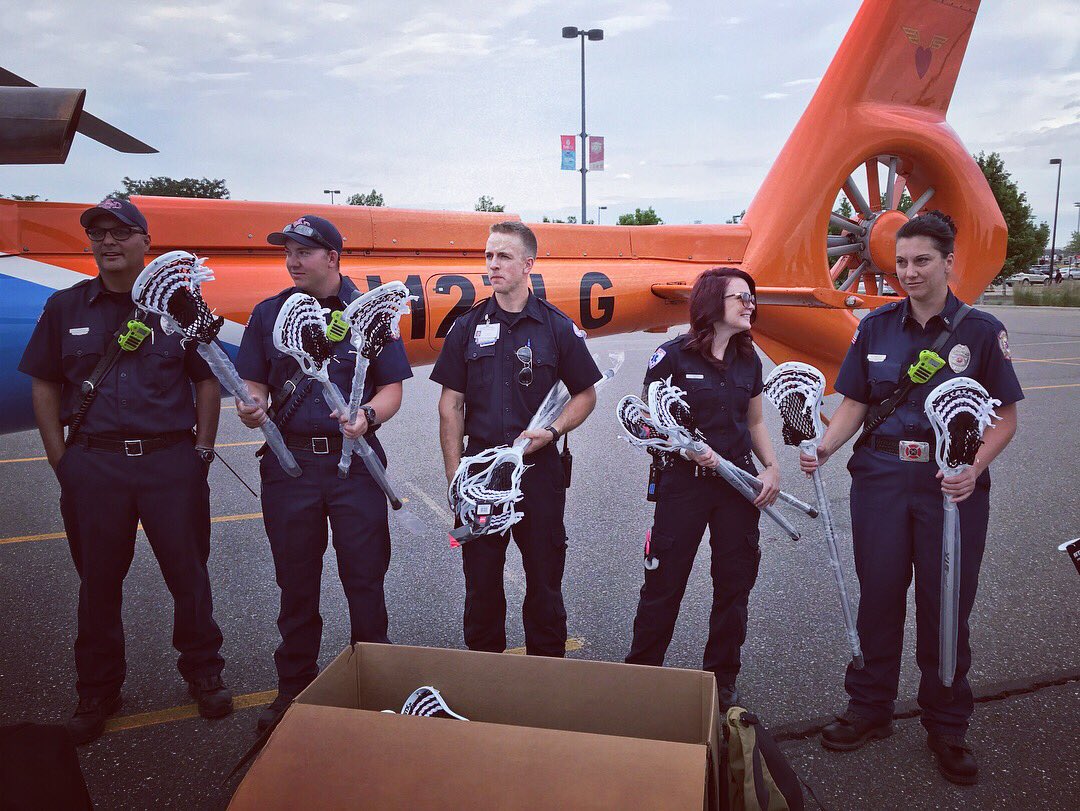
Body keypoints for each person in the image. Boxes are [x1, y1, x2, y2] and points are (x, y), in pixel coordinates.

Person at [800, 211, 1022, 785]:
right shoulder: (874, 327)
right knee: (877, 595)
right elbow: (852, 400)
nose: (909, 272)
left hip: (951, 484)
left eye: (921, 260)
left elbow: (1004, 418)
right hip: (880, 478)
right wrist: (824, 447)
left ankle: (946, 723)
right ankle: (871, 708)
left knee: (946, 602)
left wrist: (972, 468)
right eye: (900, 262)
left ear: (949, 261)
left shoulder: (979, 330)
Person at [18, 198, 231, 745]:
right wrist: (59, 458)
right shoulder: (65, 306)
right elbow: (43, 381)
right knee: (98, 584)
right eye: (98, 233)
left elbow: (207, 378)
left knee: (189, 576)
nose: (107, 242)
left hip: (169, 463)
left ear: (144, 241)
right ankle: (98, 689)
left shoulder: (177, 307)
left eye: (120, 233)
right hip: (95, 465)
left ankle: (203, 672)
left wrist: (202, 450)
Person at [234, 215, 412, 731]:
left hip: (355, 467)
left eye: (303, 252)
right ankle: (294, 689)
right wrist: (254, 407)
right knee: (296, 583)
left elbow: (393, 388)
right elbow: (255, 386)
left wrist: (369, 416)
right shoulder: (269, 314)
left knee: (364, 579)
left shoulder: (368, 313)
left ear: (332, 257)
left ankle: (375, 688)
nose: (292, 261)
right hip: (290, 468)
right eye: (287, 251)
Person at [431, 221, 602, 657]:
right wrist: (456, 478)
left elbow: (585, 395)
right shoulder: (466, 327)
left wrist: (554, 430)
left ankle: (546, 679)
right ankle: (488, 679)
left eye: (503, 256)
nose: (492, 265)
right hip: (481, 477)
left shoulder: (556, 328)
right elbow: (450, 405)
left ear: (528, 264)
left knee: (545, 582)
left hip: (538, 475)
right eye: (489, 256)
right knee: (482, 585)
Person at [624, 267, 780, 708]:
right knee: (664, 583)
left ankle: (721, 679)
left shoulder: (750, 359)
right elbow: (647, 422)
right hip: (683, 486)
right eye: (740, 297)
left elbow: (754, 422)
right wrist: (686, 449)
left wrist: (770, 469)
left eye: (752, 297)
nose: (750, 304)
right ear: (713, 302)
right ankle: (641, 673)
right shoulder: (670, 356)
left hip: (737, 486)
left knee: (734, 586)